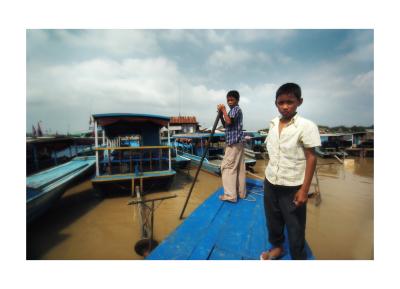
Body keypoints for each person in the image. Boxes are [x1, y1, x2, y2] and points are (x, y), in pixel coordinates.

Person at [260, 83, 321, 260]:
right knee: (273, 220)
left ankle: (298, 258)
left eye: (290, 102)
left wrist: (304, 190)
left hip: (293, 185)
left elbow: (311, 158)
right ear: (276, 103)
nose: (285, 106)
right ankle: (277, 247)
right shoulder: (272, 124)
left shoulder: (306, 126)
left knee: (295, 226)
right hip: (271, 181)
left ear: (299, 102)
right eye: (281, 102)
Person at [217, 90, 246, 202]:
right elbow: (226, 124)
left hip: (234, 143)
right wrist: (221, 115)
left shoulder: (236, 109)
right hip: (237, 142)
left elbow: (229, 122)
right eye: (228, 100)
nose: (229, 102)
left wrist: (223, 110)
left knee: (227, 167)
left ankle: (230, 195)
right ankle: (241, 193)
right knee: (239, 168)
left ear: (237, 100)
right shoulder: (231, 111)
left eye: (231, 100)